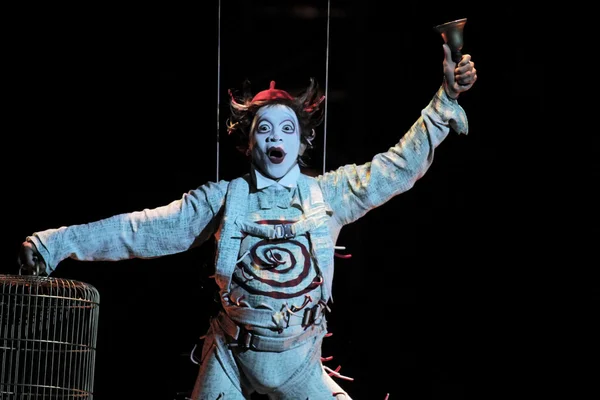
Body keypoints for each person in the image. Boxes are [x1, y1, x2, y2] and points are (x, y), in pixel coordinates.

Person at [18, 43, 477, 399]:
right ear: (247, 142)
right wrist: (54, 244)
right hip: (230, 357)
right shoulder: (222, 199)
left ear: (302, 144)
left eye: (287, 130)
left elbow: (396, 167)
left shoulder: (332, 193)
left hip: (300, 364)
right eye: (264, 129)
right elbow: (140, 230)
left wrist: (443, 103)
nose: (276, 139)